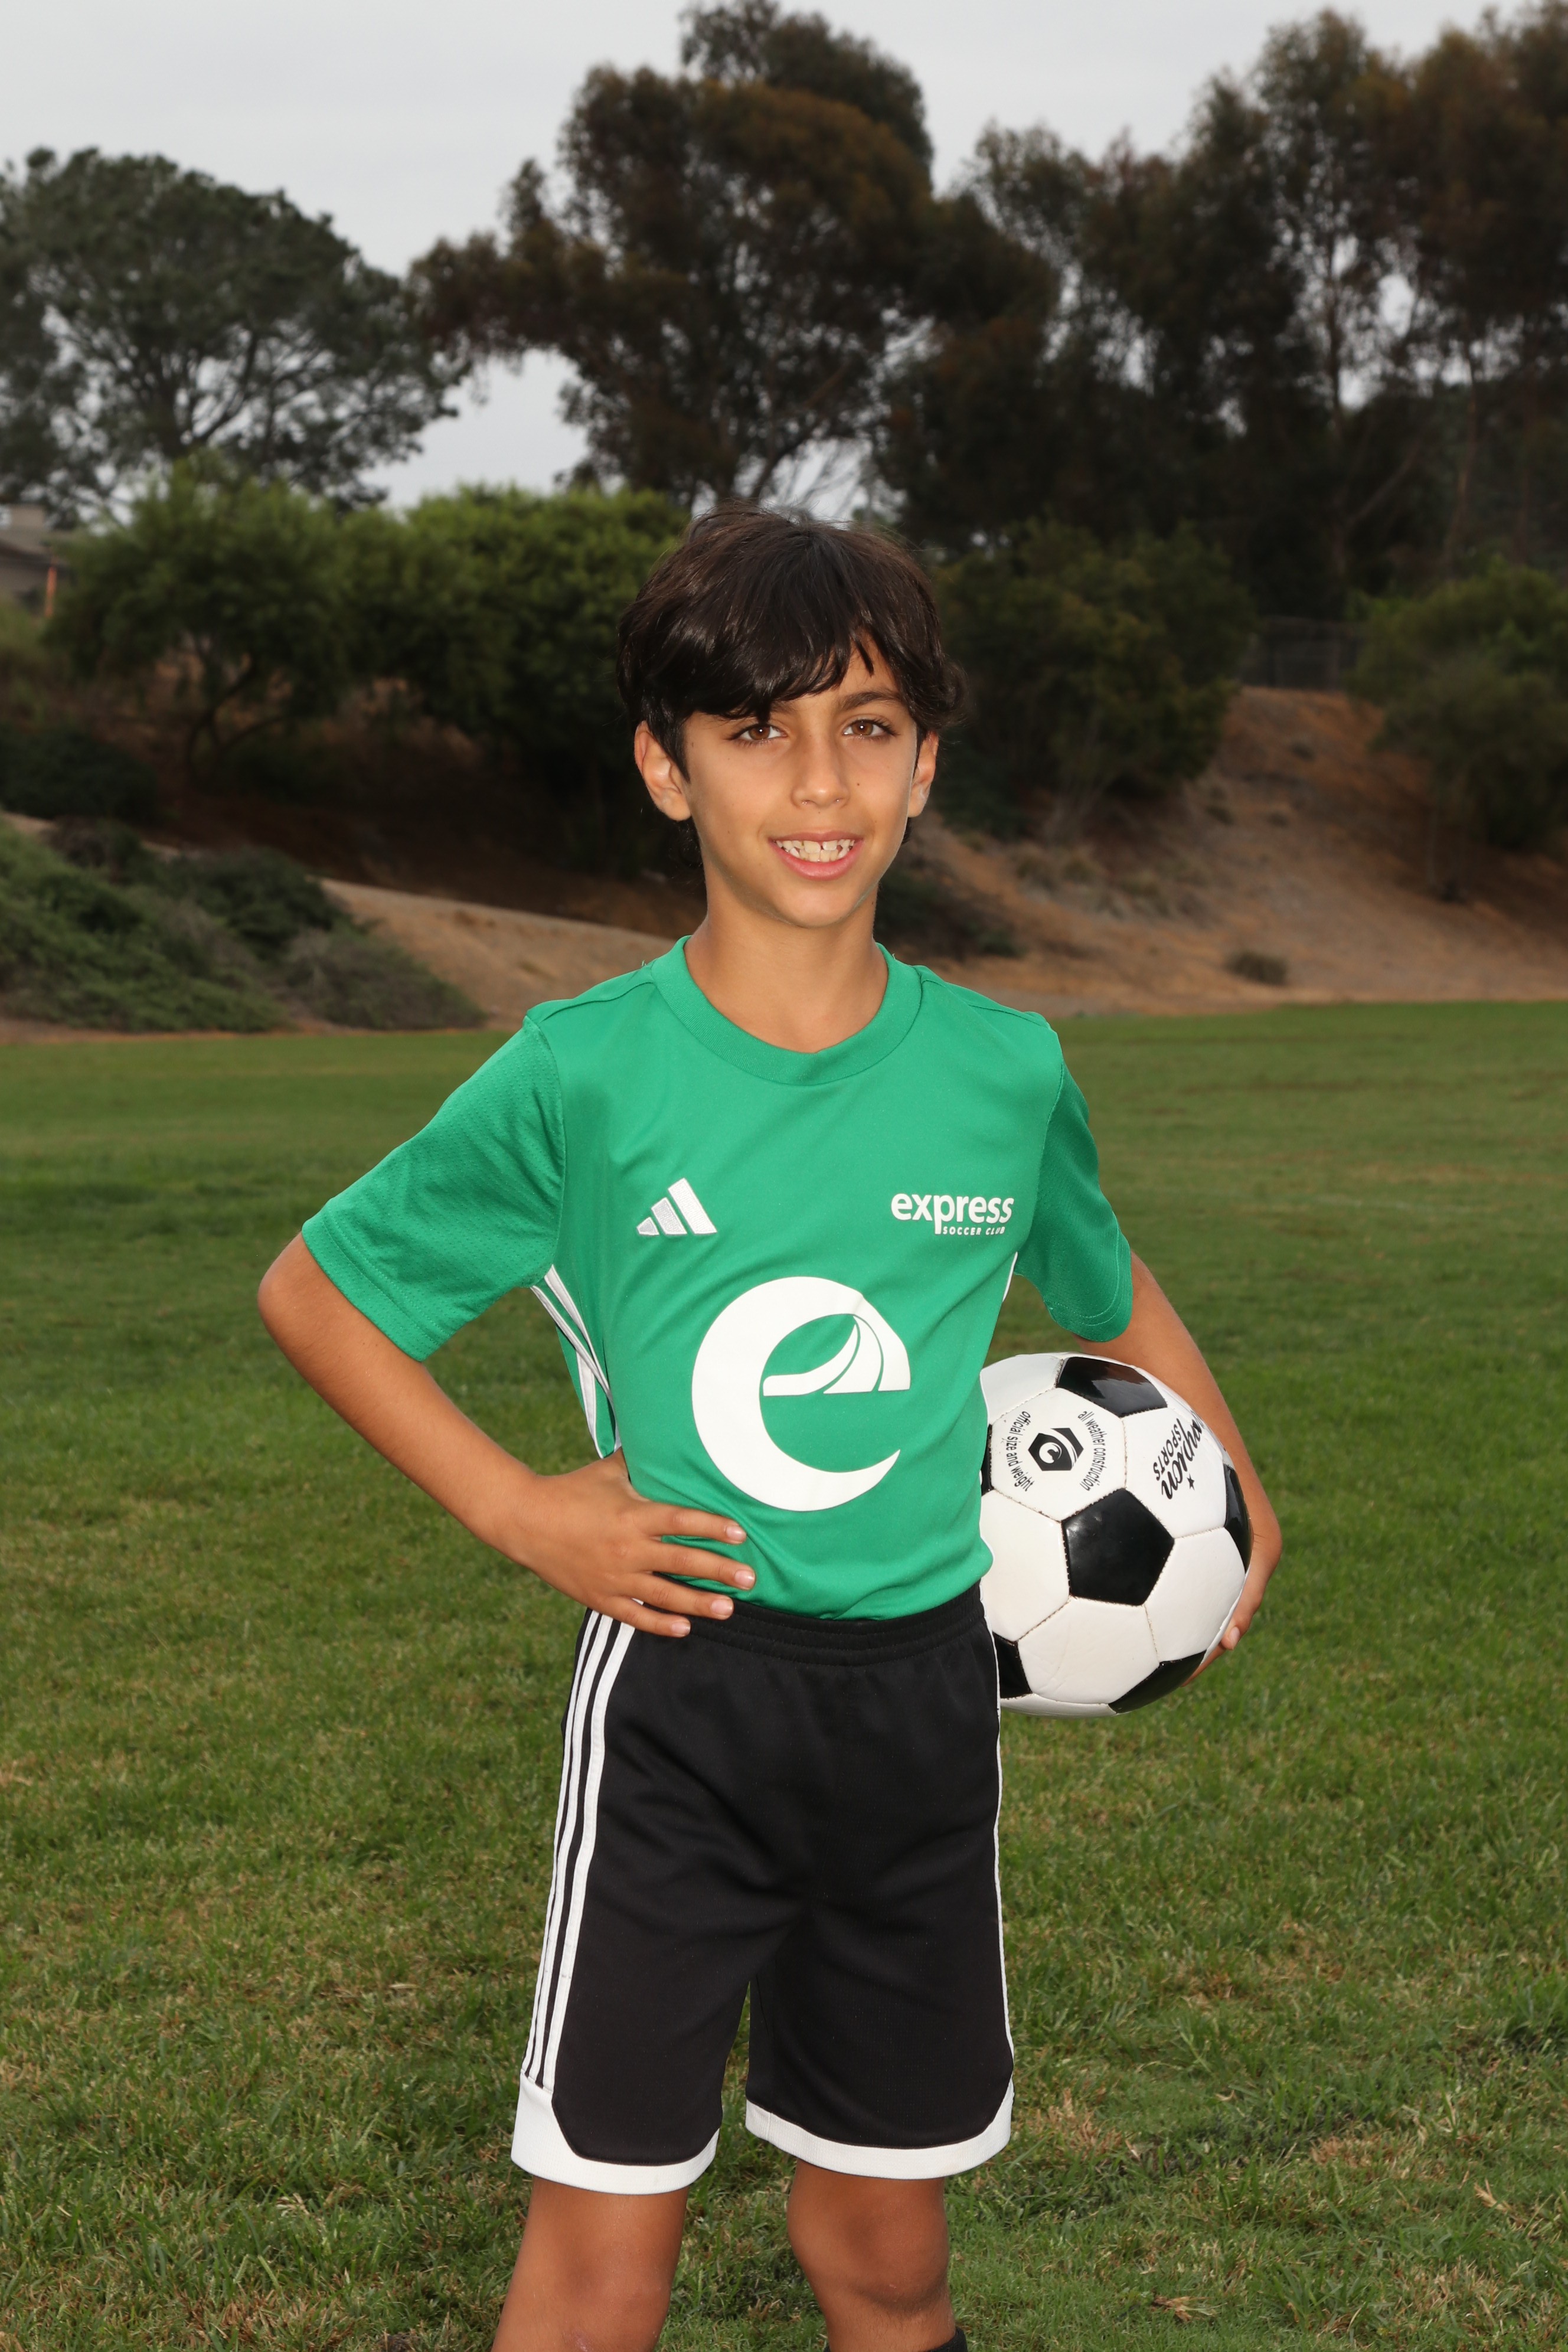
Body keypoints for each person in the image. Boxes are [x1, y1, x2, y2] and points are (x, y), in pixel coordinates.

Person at [258, 507, 1281, 2352]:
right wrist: (519, 1510)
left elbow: (1105, 1286)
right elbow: (320, 1292)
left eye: (867, 726)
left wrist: (1230, 1482)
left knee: (884, 2256)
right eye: (756, 730)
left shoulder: (1003, 1070)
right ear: (669, 768)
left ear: (925, 764)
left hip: (923, 1716)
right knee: (606, 2268)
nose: (819, 782)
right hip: (686, 1705)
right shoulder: (585, 1072)